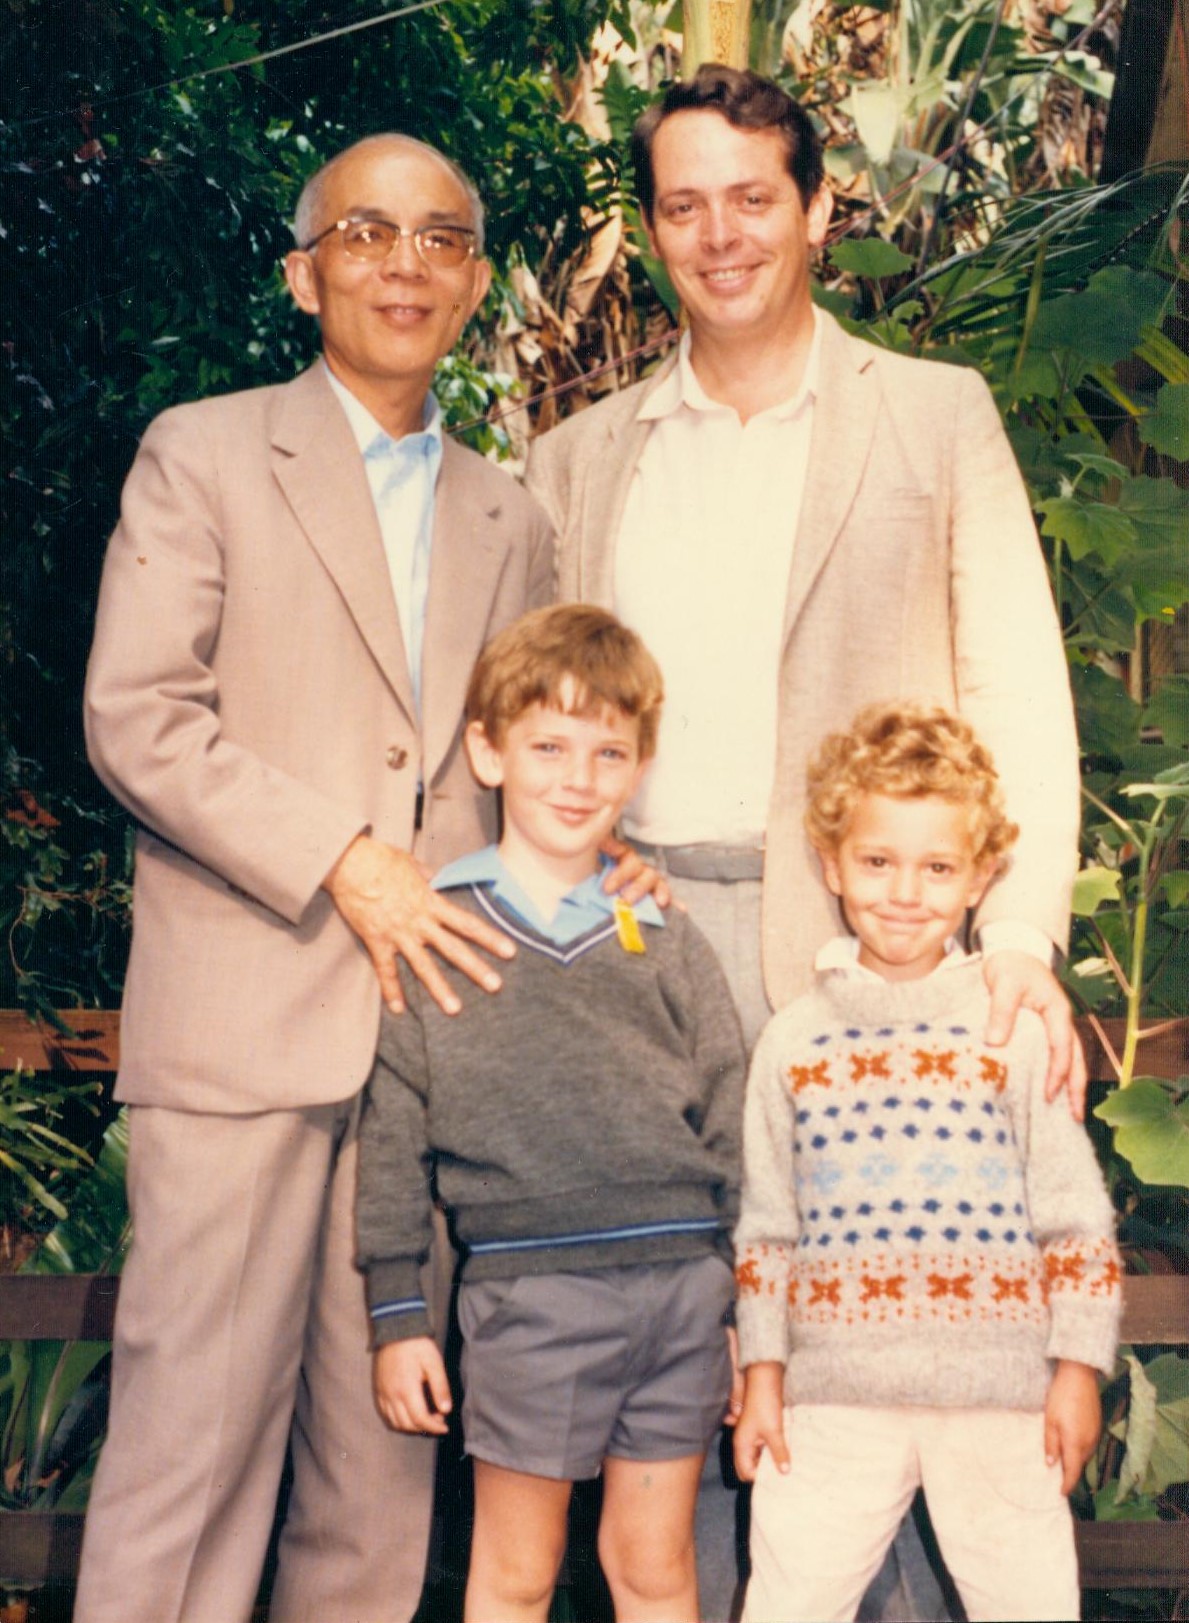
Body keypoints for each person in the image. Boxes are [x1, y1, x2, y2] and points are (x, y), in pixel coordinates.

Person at [524, 63, 1085, 1618]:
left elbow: (1018, 696)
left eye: (751, 199)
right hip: (636, 950)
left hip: (873, 960)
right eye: (684, 205)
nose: (719, 236)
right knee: (676, 1345)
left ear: (817, 209)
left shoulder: (930, 412)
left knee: (897, 1344)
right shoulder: (580, 456)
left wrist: (1017, 945)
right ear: (654, 230)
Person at [77, 134, 558, 1623]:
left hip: (426, 1050)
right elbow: (136, 713)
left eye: (439, 238)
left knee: (377, 1490)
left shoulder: (512, 513)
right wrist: (342, 857)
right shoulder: (202, 451)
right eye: (364, 232)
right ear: (305, 273)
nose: (402, 262)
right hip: (243, 1028)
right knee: (190, 1461)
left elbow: (531, 762)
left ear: (476, 284)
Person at [355, 603, 747, 1623]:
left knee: (656, 1570)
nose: (578, 778)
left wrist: (749, 1304)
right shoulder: (437, 925)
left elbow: (732, 1115)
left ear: (638, 767)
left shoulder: (661, 929)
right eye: (547, 746)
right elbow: (393, 1136)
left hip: (683, 1295)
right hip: (531, 1299)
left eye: (607, 751)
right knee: (516, 1578)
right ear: (486, 752)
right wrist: (398, 1316)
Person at [732, 702, 1121, 1621]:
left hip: (999, 1400)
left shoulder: (1012, 1032)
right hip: (830, 1403)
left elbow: (1074, 1217)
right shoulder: (791, 1041)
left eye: (937, 866)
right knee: (786, 1605)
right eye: (876, 861)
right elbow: (766, 1227)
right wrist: (762, 1375)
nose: (904, 892)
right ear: (830, 862)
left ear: (981, 877)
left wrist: (1075, 1367)